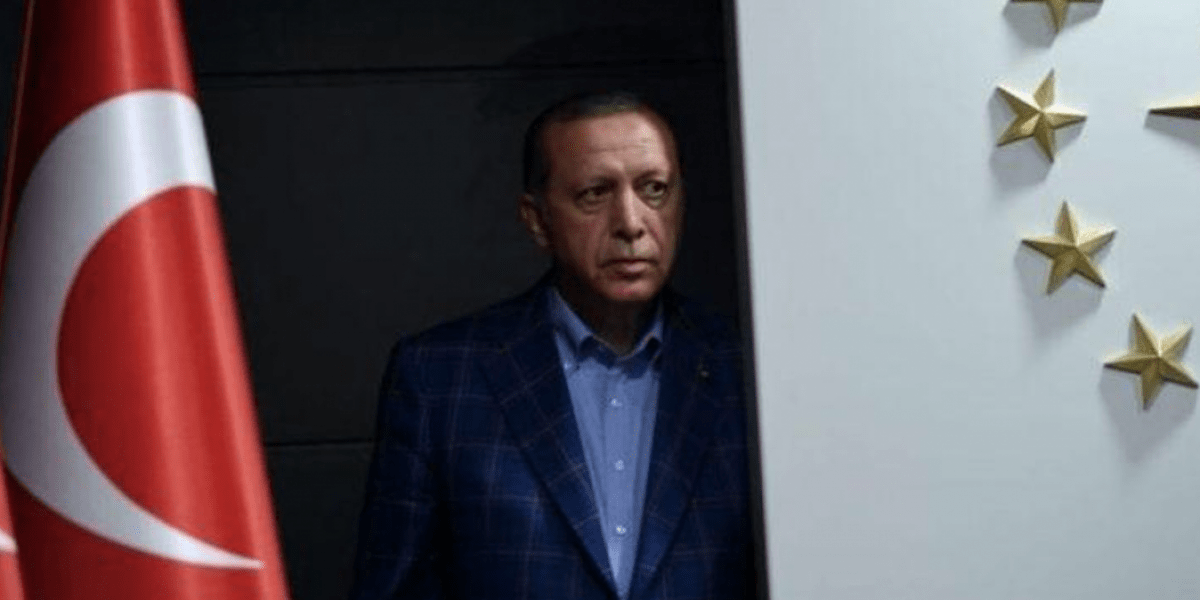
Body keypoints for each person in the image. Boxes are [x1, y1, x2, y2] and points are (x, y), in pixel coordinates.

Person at [349, 91, 755, 600]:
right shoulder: (439, 379)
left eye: (654, 189)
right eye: (595, 194)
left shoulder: (745, 369)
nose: (631, 223)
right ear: (537, 219)